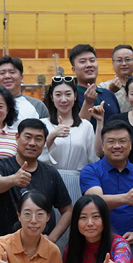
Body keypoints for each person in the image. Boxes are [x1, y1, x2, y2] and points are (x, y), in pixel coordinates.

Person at [81, 119, 133, 263]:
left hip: (128, 240)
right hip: (95, 239)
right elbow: (95, 201)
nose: (117, 146)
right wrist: (125, 198)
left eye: (122, 141)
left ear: (130, 145)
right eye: (111, 141)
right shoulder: (91, 170)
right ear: (103, 145)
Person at [0, 119, 73, 246]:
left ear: (44, 142)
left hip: (40, 247)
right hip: (4, 245)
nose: (32, 143)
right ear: (17, 137)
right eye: (28, 137)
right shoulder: (1, 166)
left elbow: (68, 210)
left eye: (38, 139)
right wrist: (13, 179)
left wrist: (52, 239)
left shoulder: (51, 173)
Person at [41, 75, 98, 208]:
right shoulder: (43, 124)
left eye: (68, 94)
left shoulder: (86, 126)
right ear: (51, 97)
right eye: (58, 95)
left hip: (79, 182)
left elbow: (93, 160)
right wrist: (52, 136)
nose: (63, 99)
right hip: (49, 182)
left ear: (75, 96)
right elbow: (36, 156)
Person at [70, 44, 121, 125]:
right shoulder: (70, 96)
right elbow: (75, 129)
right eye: (82, 62)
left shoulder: (109, 94)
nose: (89, 65)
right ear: (74, 70)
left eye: (92, 60)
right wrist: (88, 103)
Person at [97, 44, 133, 113]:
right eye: (119, 60)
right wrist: (110, 92)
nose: (124, 63)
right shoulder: (103, 87)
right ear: (113, 63)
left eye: (128, 59)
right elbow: (98, 110)